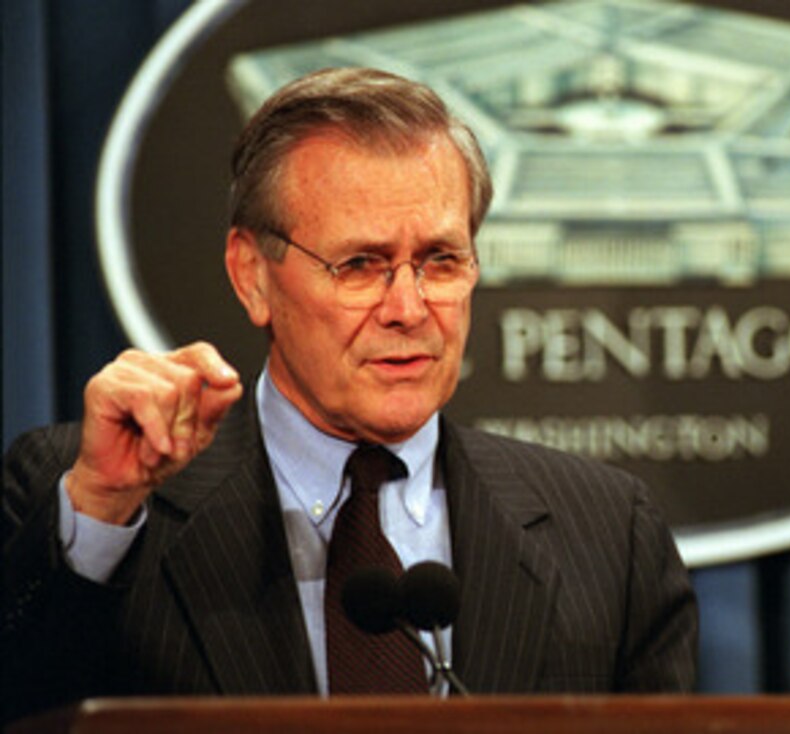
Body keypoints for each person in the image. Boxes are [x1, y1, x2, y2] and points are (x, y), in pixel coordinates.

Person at [2, 67, 698, 723]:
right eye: (360, 265)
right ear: (253, 276)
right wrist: (100, 515)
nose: (408, 307)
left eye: (440, 260)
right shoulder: (91, 499)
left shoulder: (608, 533)